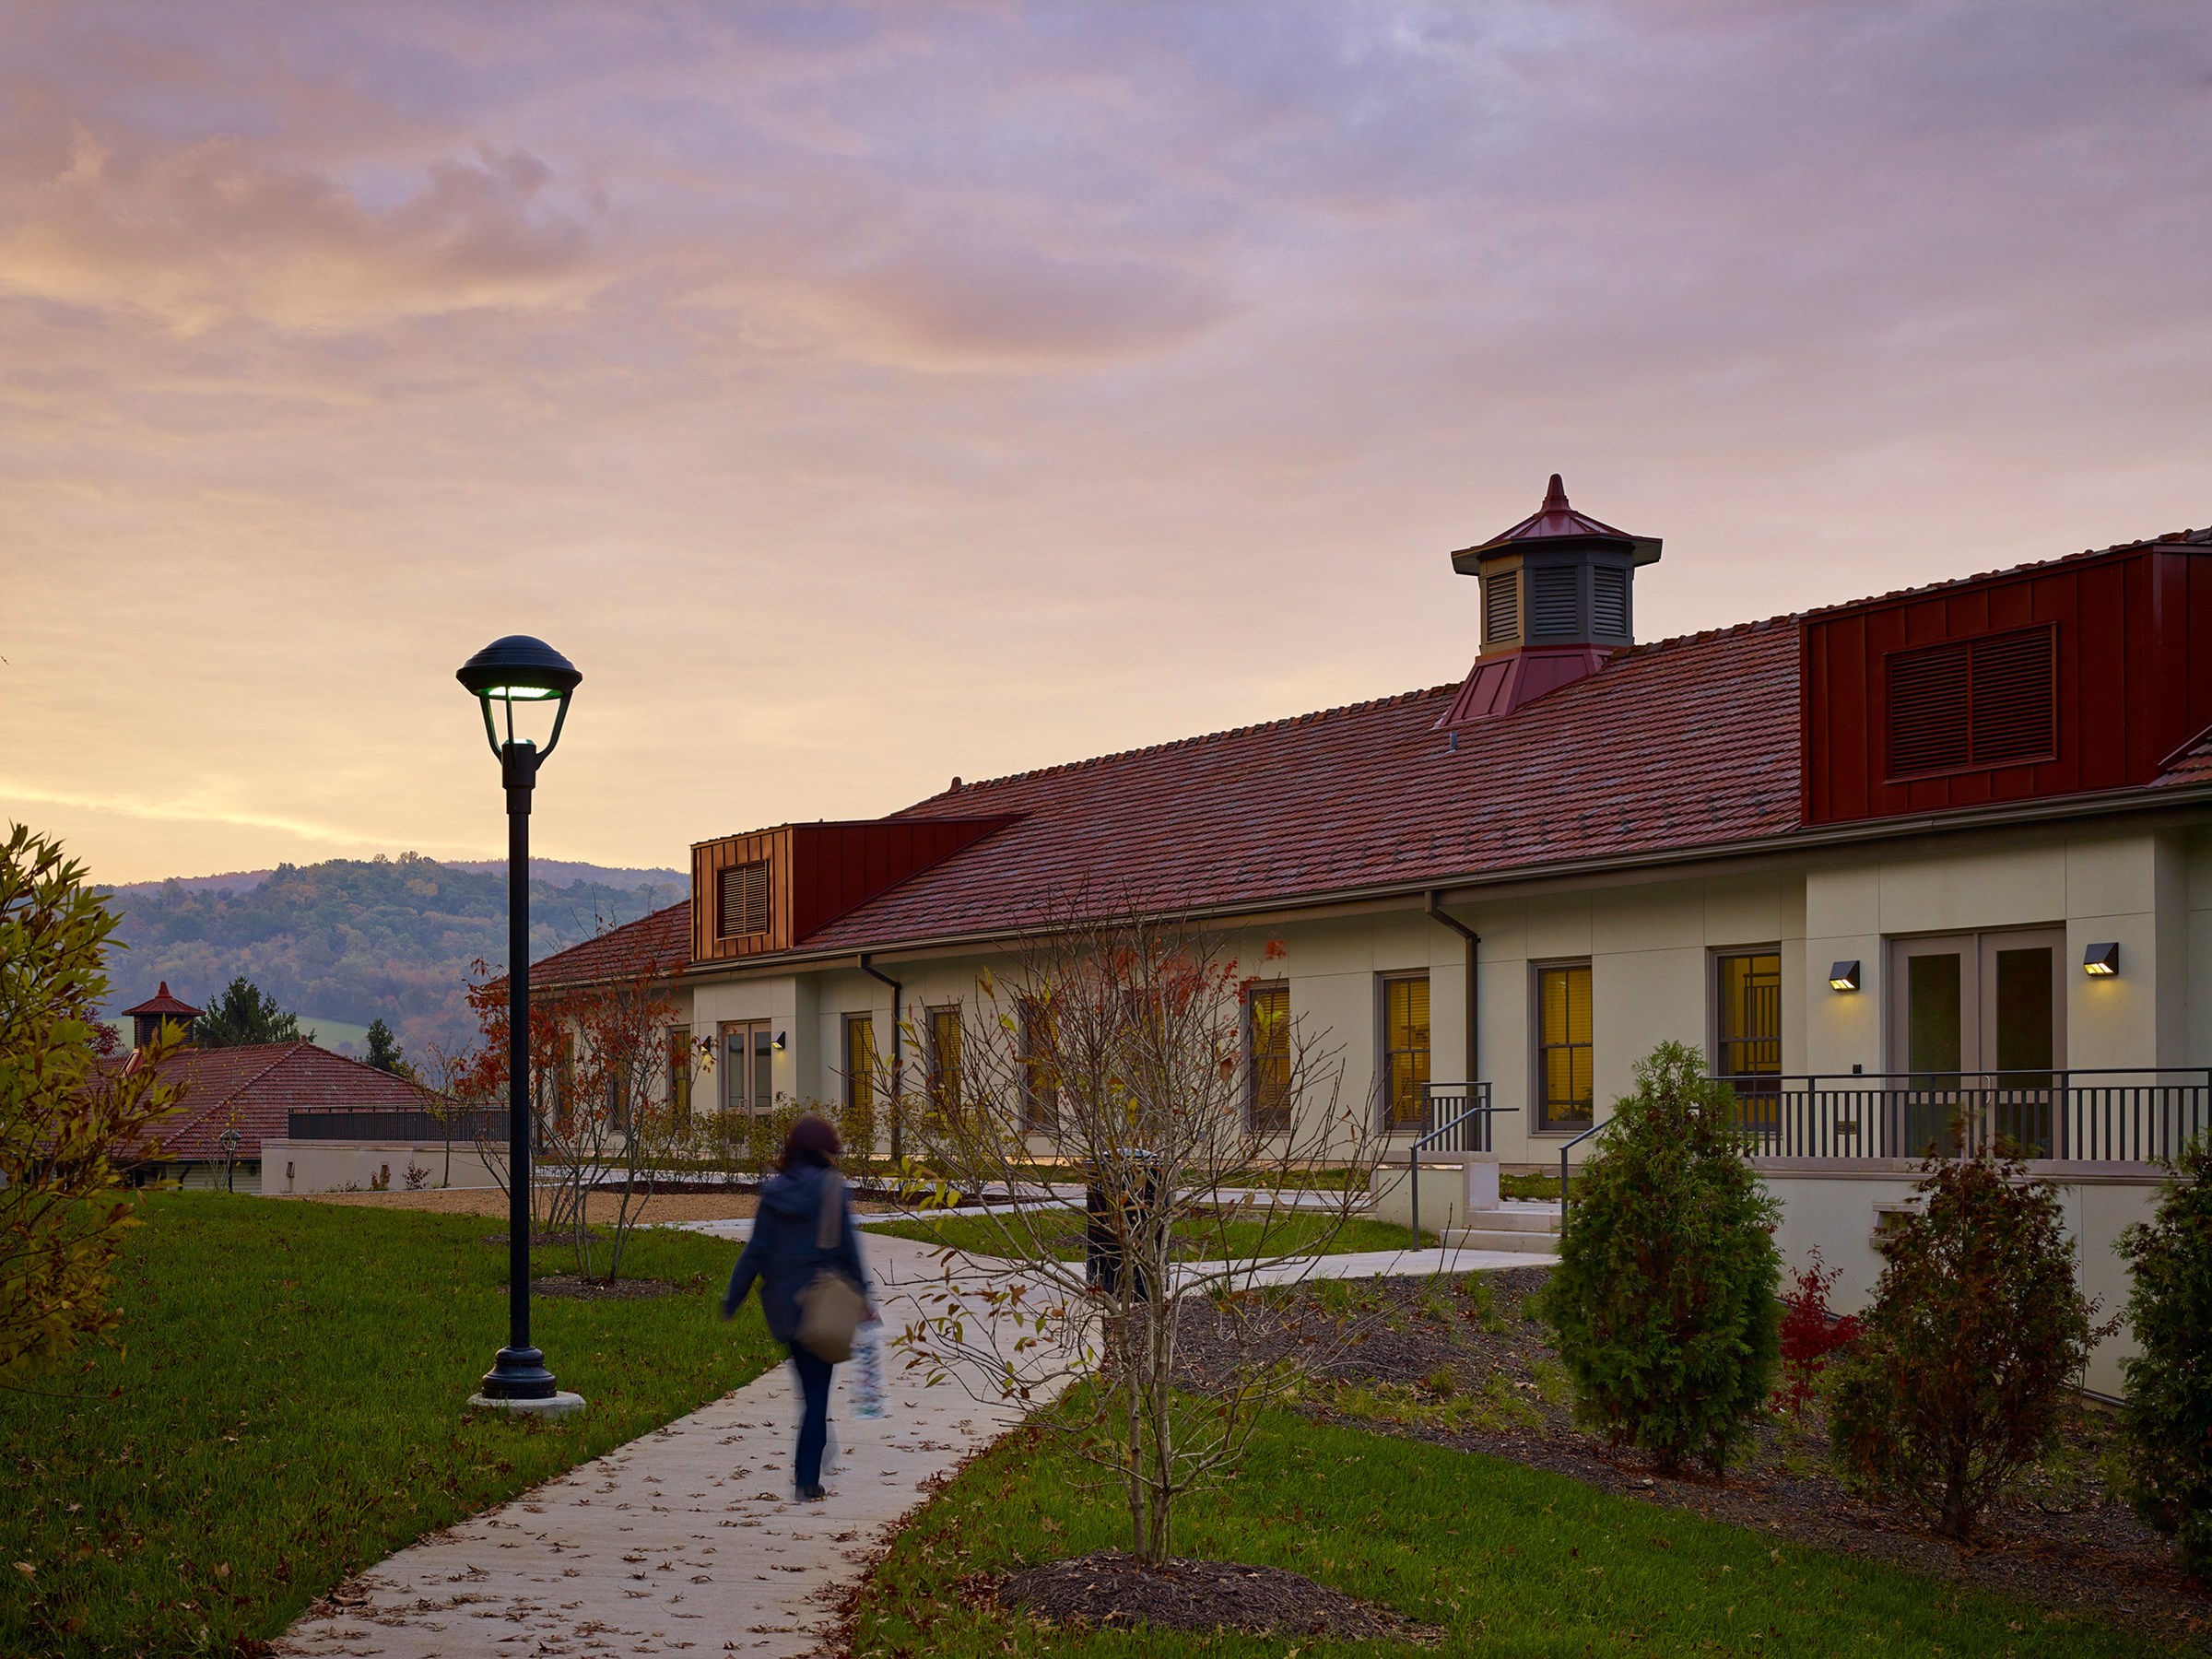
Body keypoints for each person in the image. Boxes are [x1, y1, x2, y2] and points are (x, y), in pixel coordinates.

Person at [721, 1114, 874, 1500]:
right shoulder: (831, 1188)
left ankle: (815, 1457)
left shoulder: (774, 1193)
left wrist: (732, 1299)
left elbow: (755, 1251)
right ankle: (807, 1479)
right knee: (817, 1395)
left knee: (809, 1391)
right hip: (823, 1305)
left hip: (784, 1309)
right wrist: (865, 1301)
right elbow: (847, 1250)